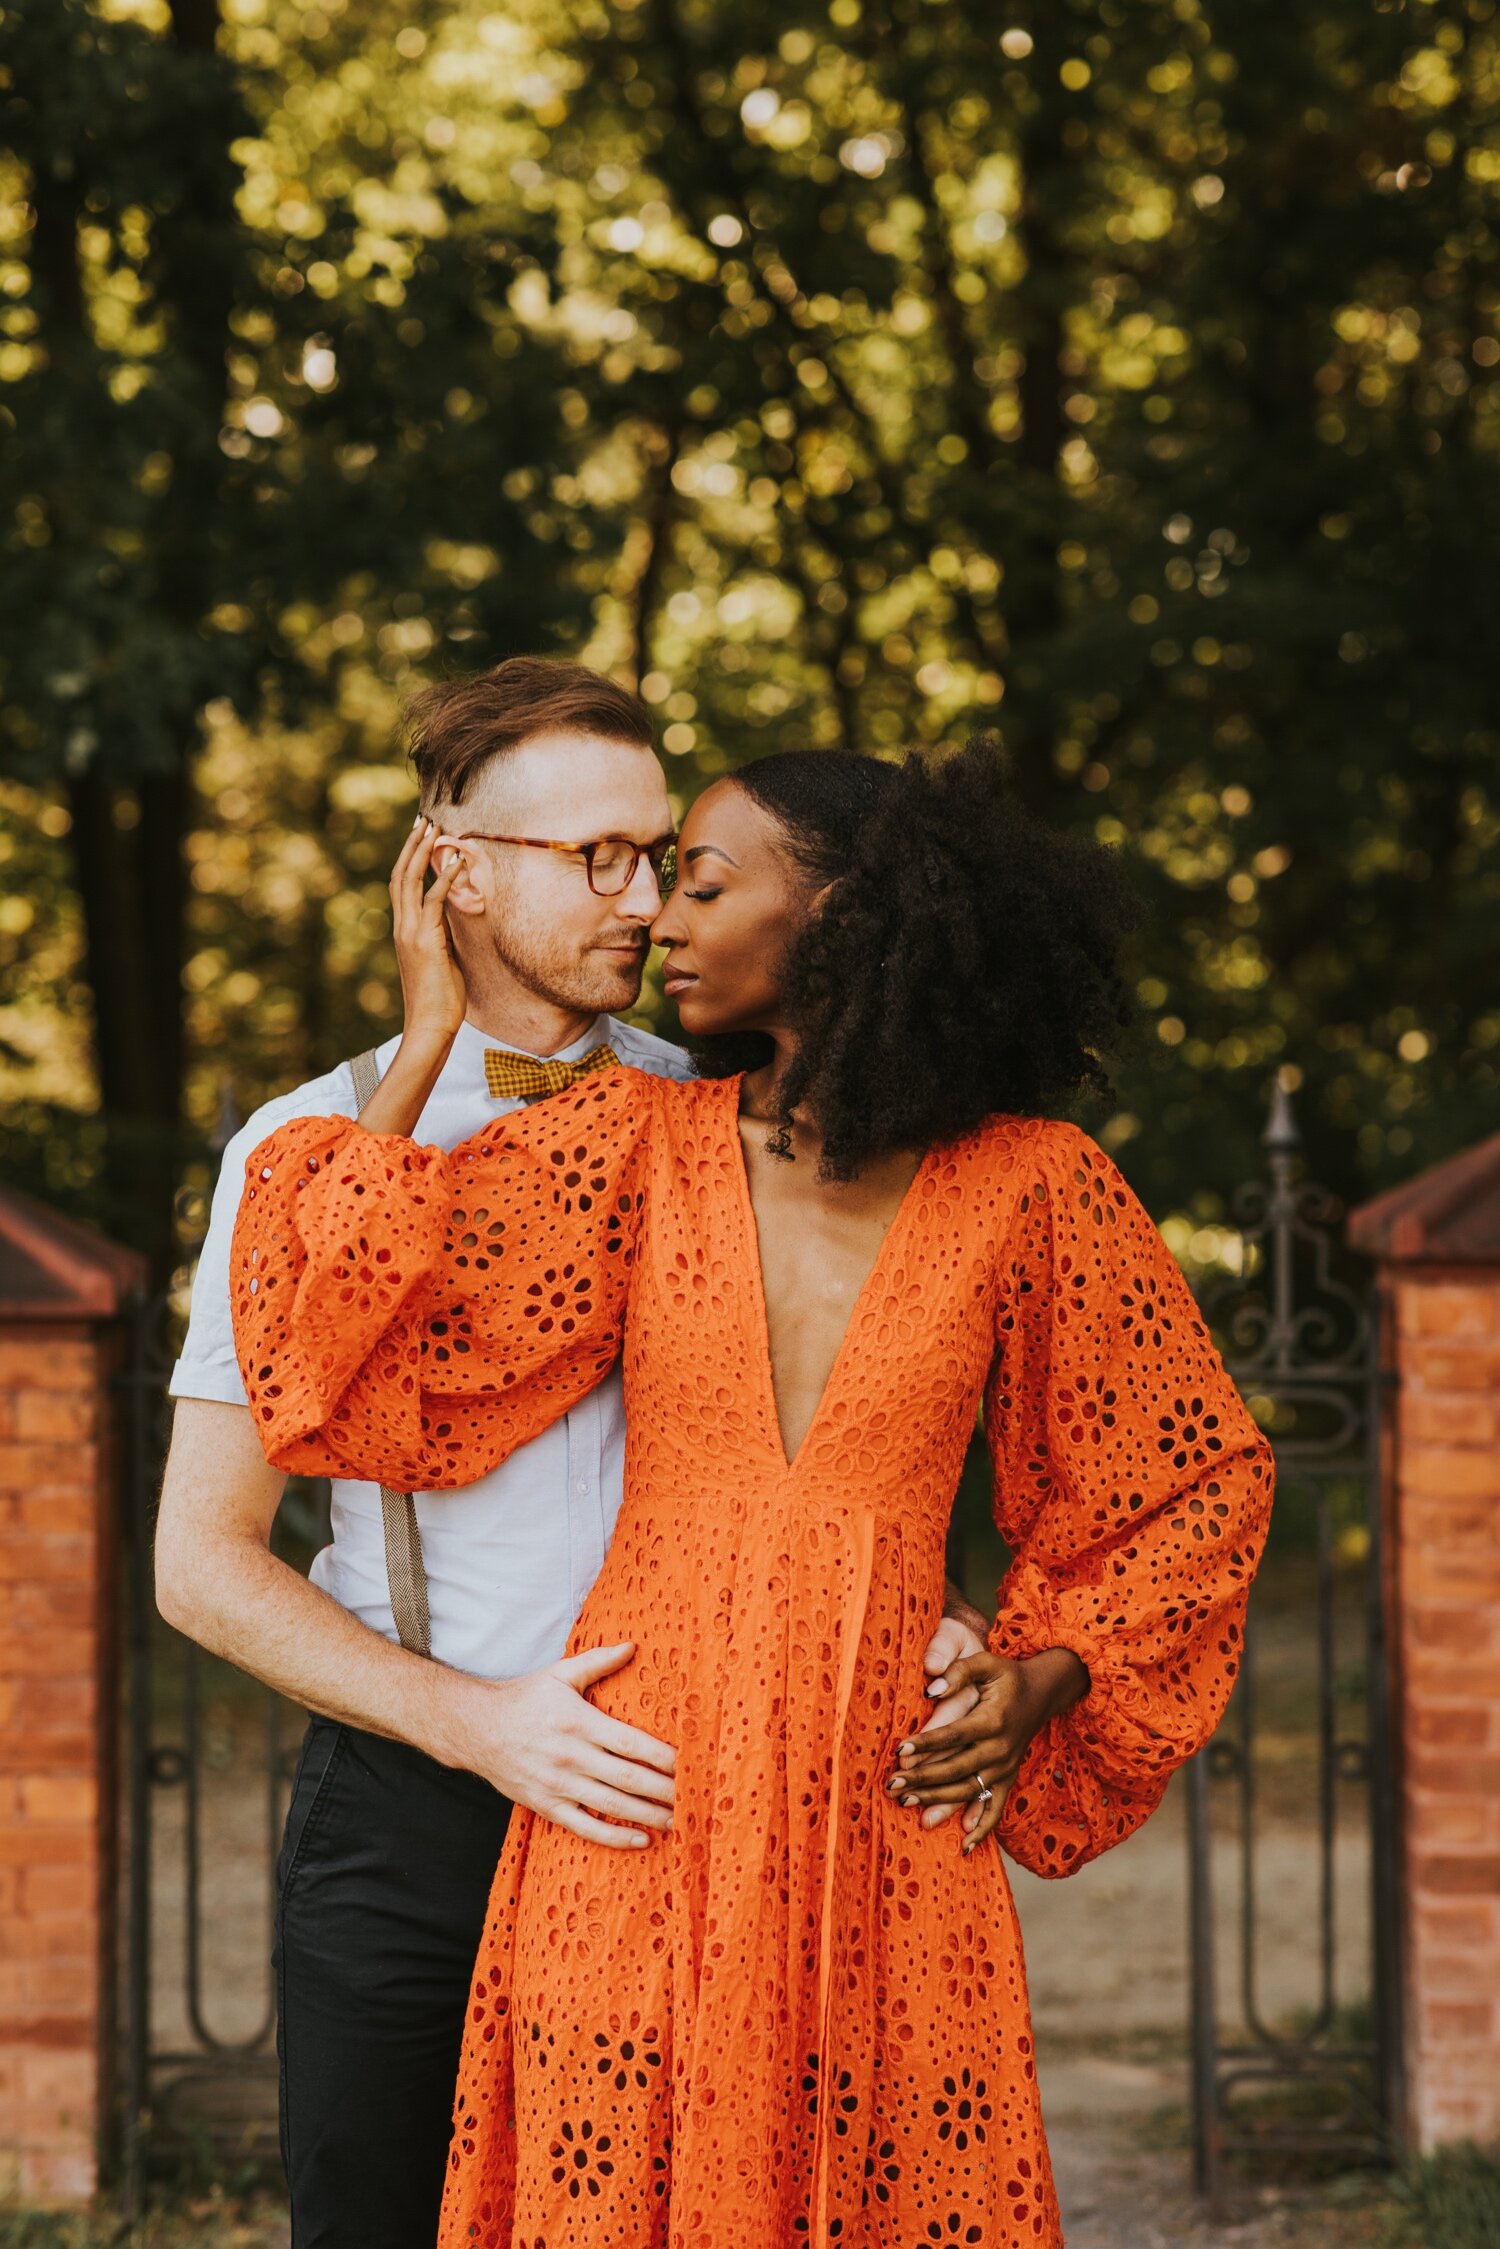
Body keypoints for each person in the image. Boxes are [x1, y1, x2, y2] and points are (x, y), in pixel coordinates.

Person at [229, 737, 1275, 2249]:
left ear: (840, 916)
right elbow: (331, 1330)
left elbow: (1188, 1485)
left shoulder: (1038, 1187)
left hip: (887, 1805)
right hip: (630, 1790)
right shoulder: (630, 1146)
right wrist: (423, 1039)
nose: (660, 918)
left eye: (704, 882)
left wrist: (1044, 1672)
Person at [156, 657, 995, 2248]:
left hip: (702, 1812)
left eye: (661, 853)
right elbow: (200, 1562)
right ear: (453, 868)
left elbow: (871, 1395)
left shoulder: (731, 1112)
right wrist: (480, 1727)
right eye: (593, 857)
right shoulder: (311, 1144)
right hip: (417, 1814)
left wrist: (924, 1600)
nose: (643, 898)